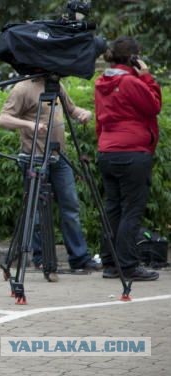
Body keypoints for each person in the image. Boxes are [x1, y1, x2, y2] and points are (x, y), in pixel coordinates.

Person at [0, 76, 102, 278]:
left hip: (59, 157)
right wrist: (29, 125)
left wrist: (84, 113)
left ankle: (79, 258)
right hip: (34, 157)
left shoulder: (56, 86)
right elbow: (3, 119)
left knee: (71, 206)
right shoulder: (22, 88)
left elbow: (71, 110)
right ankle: (42, 258)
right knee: (37, 212)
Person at [94, 36, 161, 281]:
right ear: (134, 57)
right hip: (133, 152)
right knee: (132, 210)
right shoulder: (132, 82)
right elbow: (154, 106)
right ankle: (129, 265)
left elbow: (99, 119)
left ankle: (111, 263)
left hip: (108, 151)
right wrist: (147, 76)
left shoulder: (102, 82)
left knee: (113, 209)